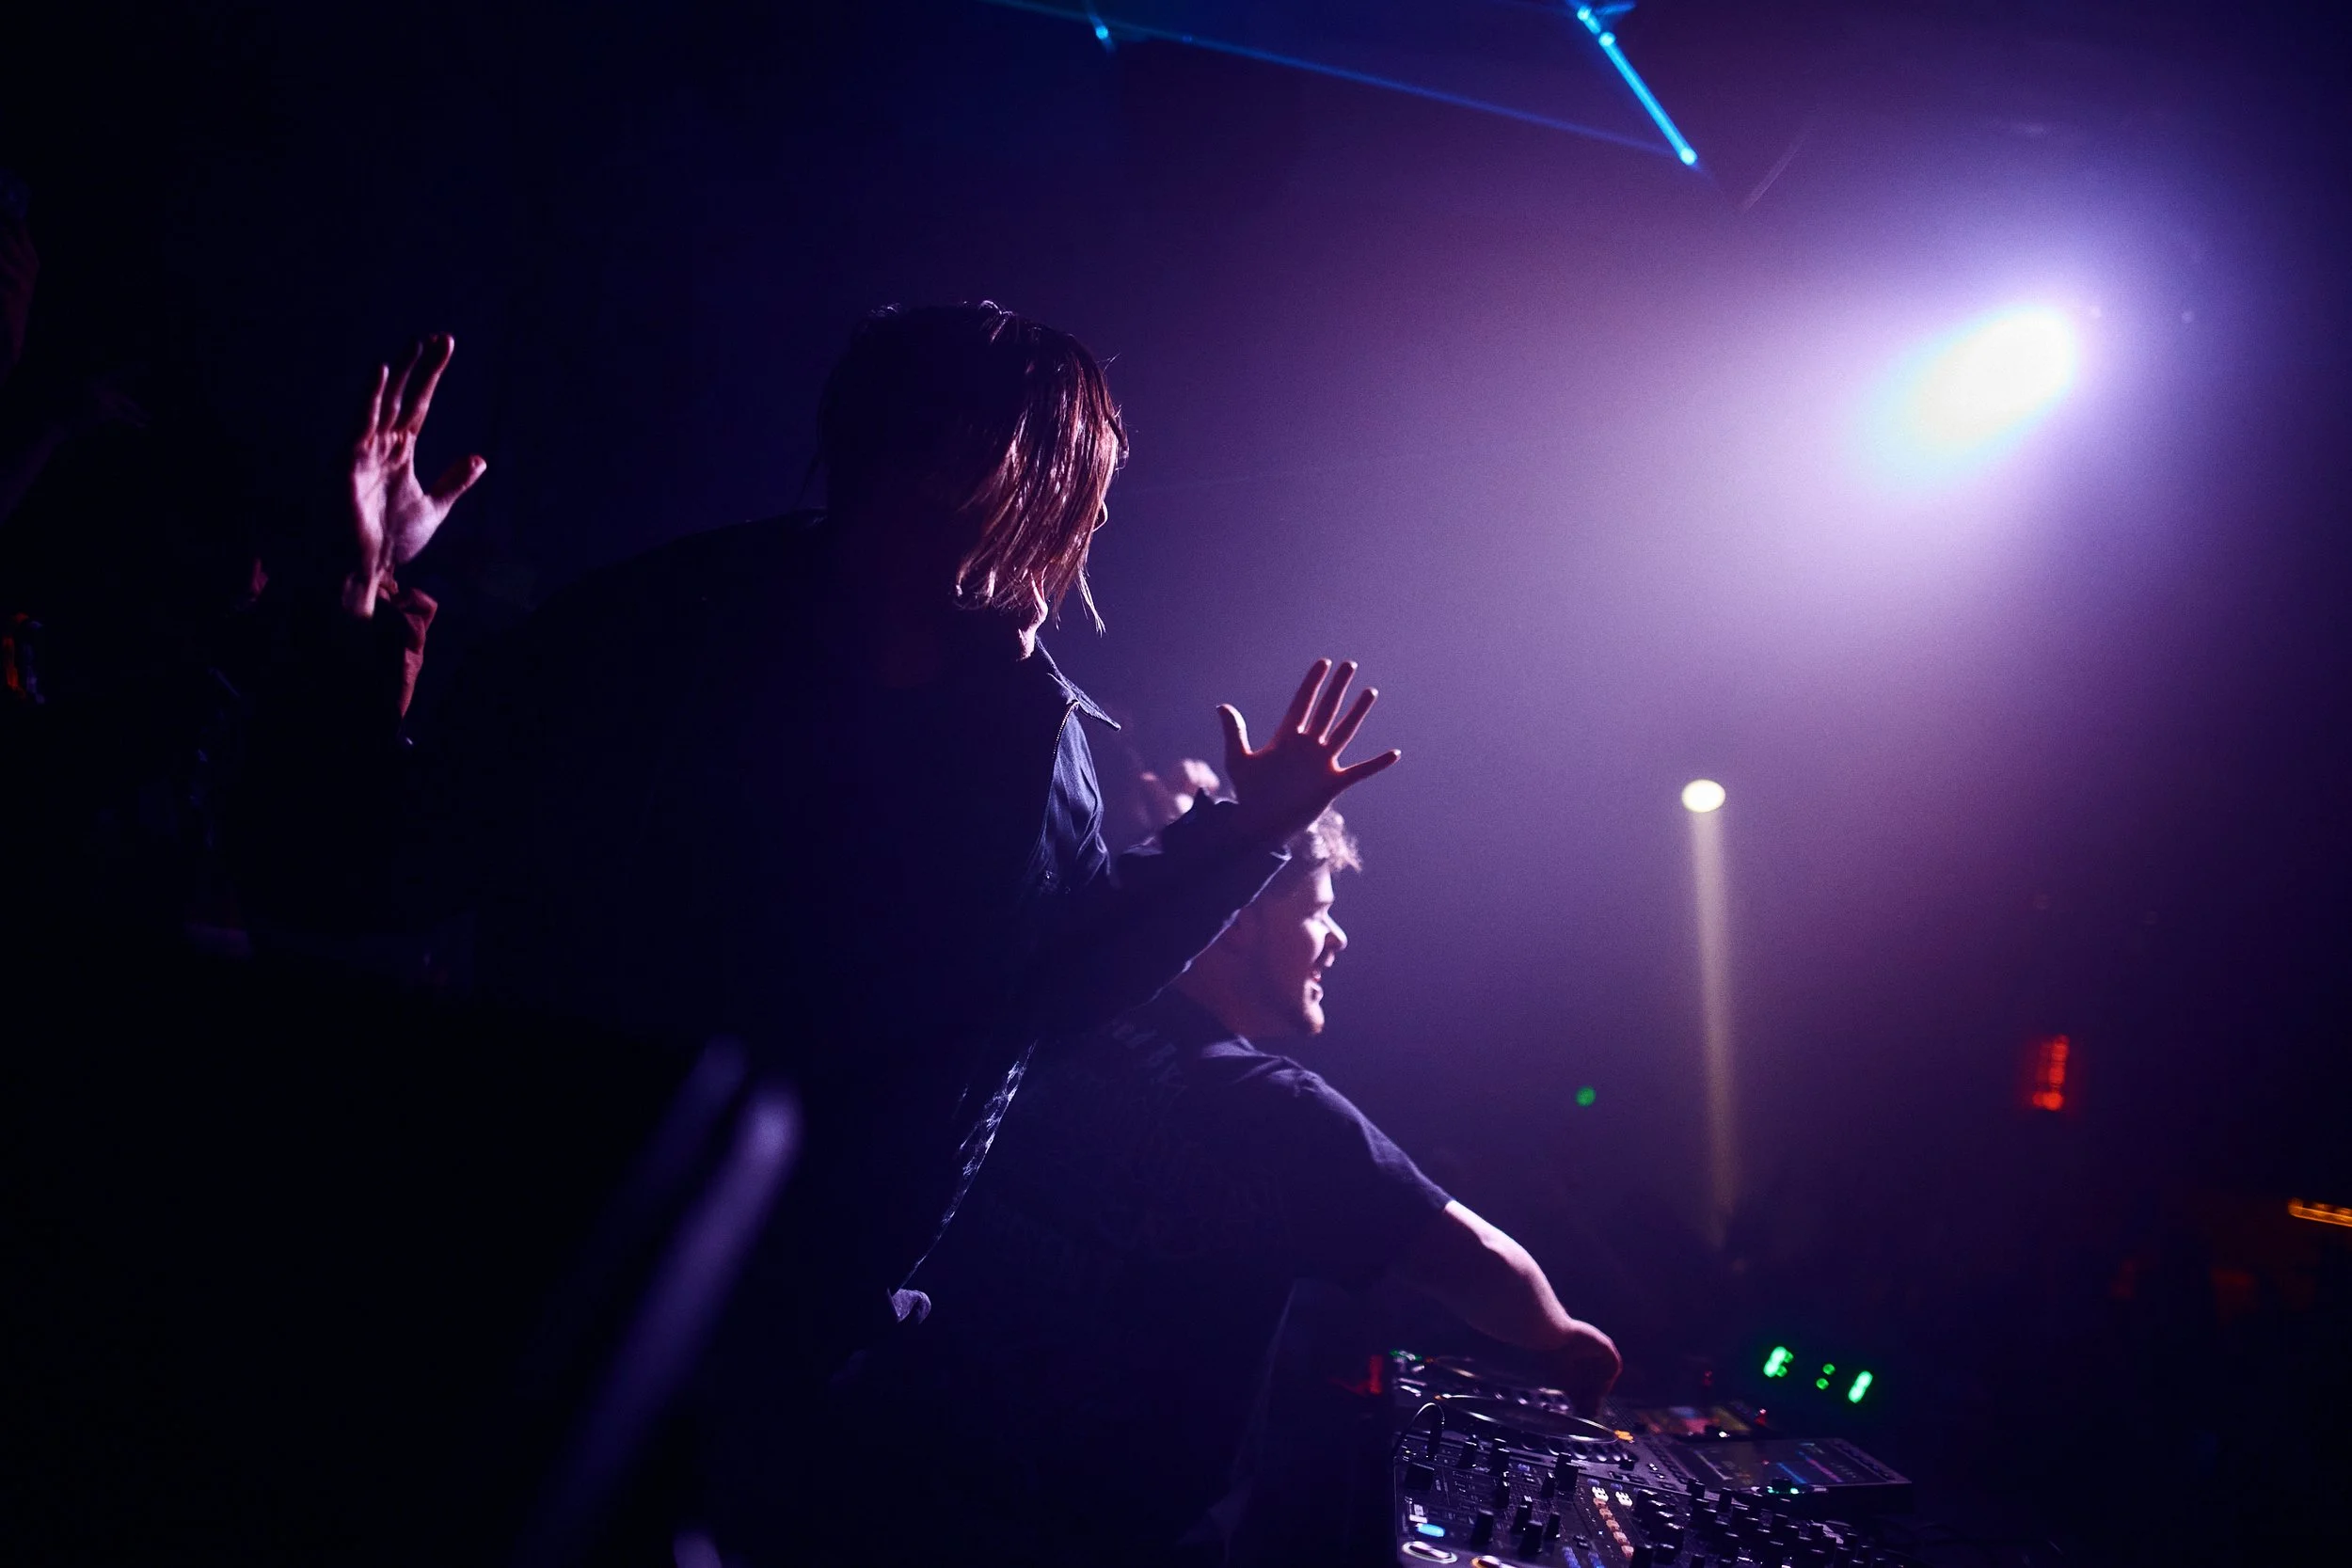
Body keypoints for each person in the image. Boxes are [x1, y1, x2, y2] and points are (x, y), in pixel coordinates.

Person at [230, 305, 1403, 1549]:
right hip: (692, 1311)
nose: (1095, 524)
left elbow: (361, 863)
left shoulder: (639, 615)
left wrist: (355, 609)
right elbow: (1051, 984)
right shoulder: (995, 724)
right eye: (1083, 485)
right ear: (989, 468)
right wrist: (1240, 835)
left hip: (506, 1246)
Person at [875, 774, 1621, 1566]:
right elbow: (1475, 1265)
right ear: (1235, 925)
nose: (1337, 938)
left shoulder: (1069, 1021)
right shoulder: (1279, 1112)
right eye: (1317, 910)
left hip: (904, 1488)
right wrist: (1563, 1335)